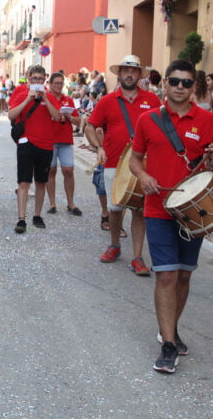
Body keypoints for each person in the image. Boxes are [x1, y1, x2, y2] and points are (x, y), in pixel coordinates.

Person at [129, 59, 213, 373]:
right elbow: (134, 158)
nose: (180, 87)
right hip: (157, 207)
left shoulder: (209, 120)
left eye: (187, 83)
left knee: (184, 274)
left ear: (194, 86)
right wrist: (142, 176)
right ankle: (168, 345)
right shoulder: (148, 120)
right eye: (175, 81)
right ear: (165, 84)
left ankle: (170, 326)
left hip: (195, 209)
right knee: (166, 274)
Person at [86, 54, 160, 275]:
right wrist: (98, 147)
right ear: (119, 74)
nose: (129, 74)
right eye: (125, 70)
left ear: (139, 74)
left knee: (139, 211)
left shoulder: (153, 100)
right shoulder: (107, 100)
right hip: (114, 165)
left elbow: (163, 128)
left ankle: (137, 257)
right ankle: (115, 245)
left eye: (133, 71)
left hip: (144, 165)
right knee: (115, 209)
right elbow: (90, 126)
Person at [8, 66, 61, 232]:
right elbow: (11, 115)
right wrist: (27, 100)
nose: (37, 81)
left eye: (40, 79)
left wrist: (45, 97)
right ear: (29, 79)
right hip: (26, 143)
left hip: (46, 144)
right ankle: (21, 218)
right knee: (24, 182)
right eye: (35, 78)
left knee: (41, 181)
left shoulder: (50, 96)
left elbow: (57, 117)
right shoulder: (22, 94)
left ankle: (37, 215)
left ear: (44, 80)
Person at [45, 72, 82, 216]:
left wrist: (70, 117)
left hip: (65, 139)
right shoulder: (46, 98)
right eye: (56, 83)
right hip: (50, 139)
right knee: (51, 171)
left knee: (68, 171)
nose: (59, 86)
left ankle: (70, 203)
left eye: (61, 83)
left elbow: (78, 121)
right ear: (50, 84)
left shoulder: (68, 100)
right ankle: (52, 203)